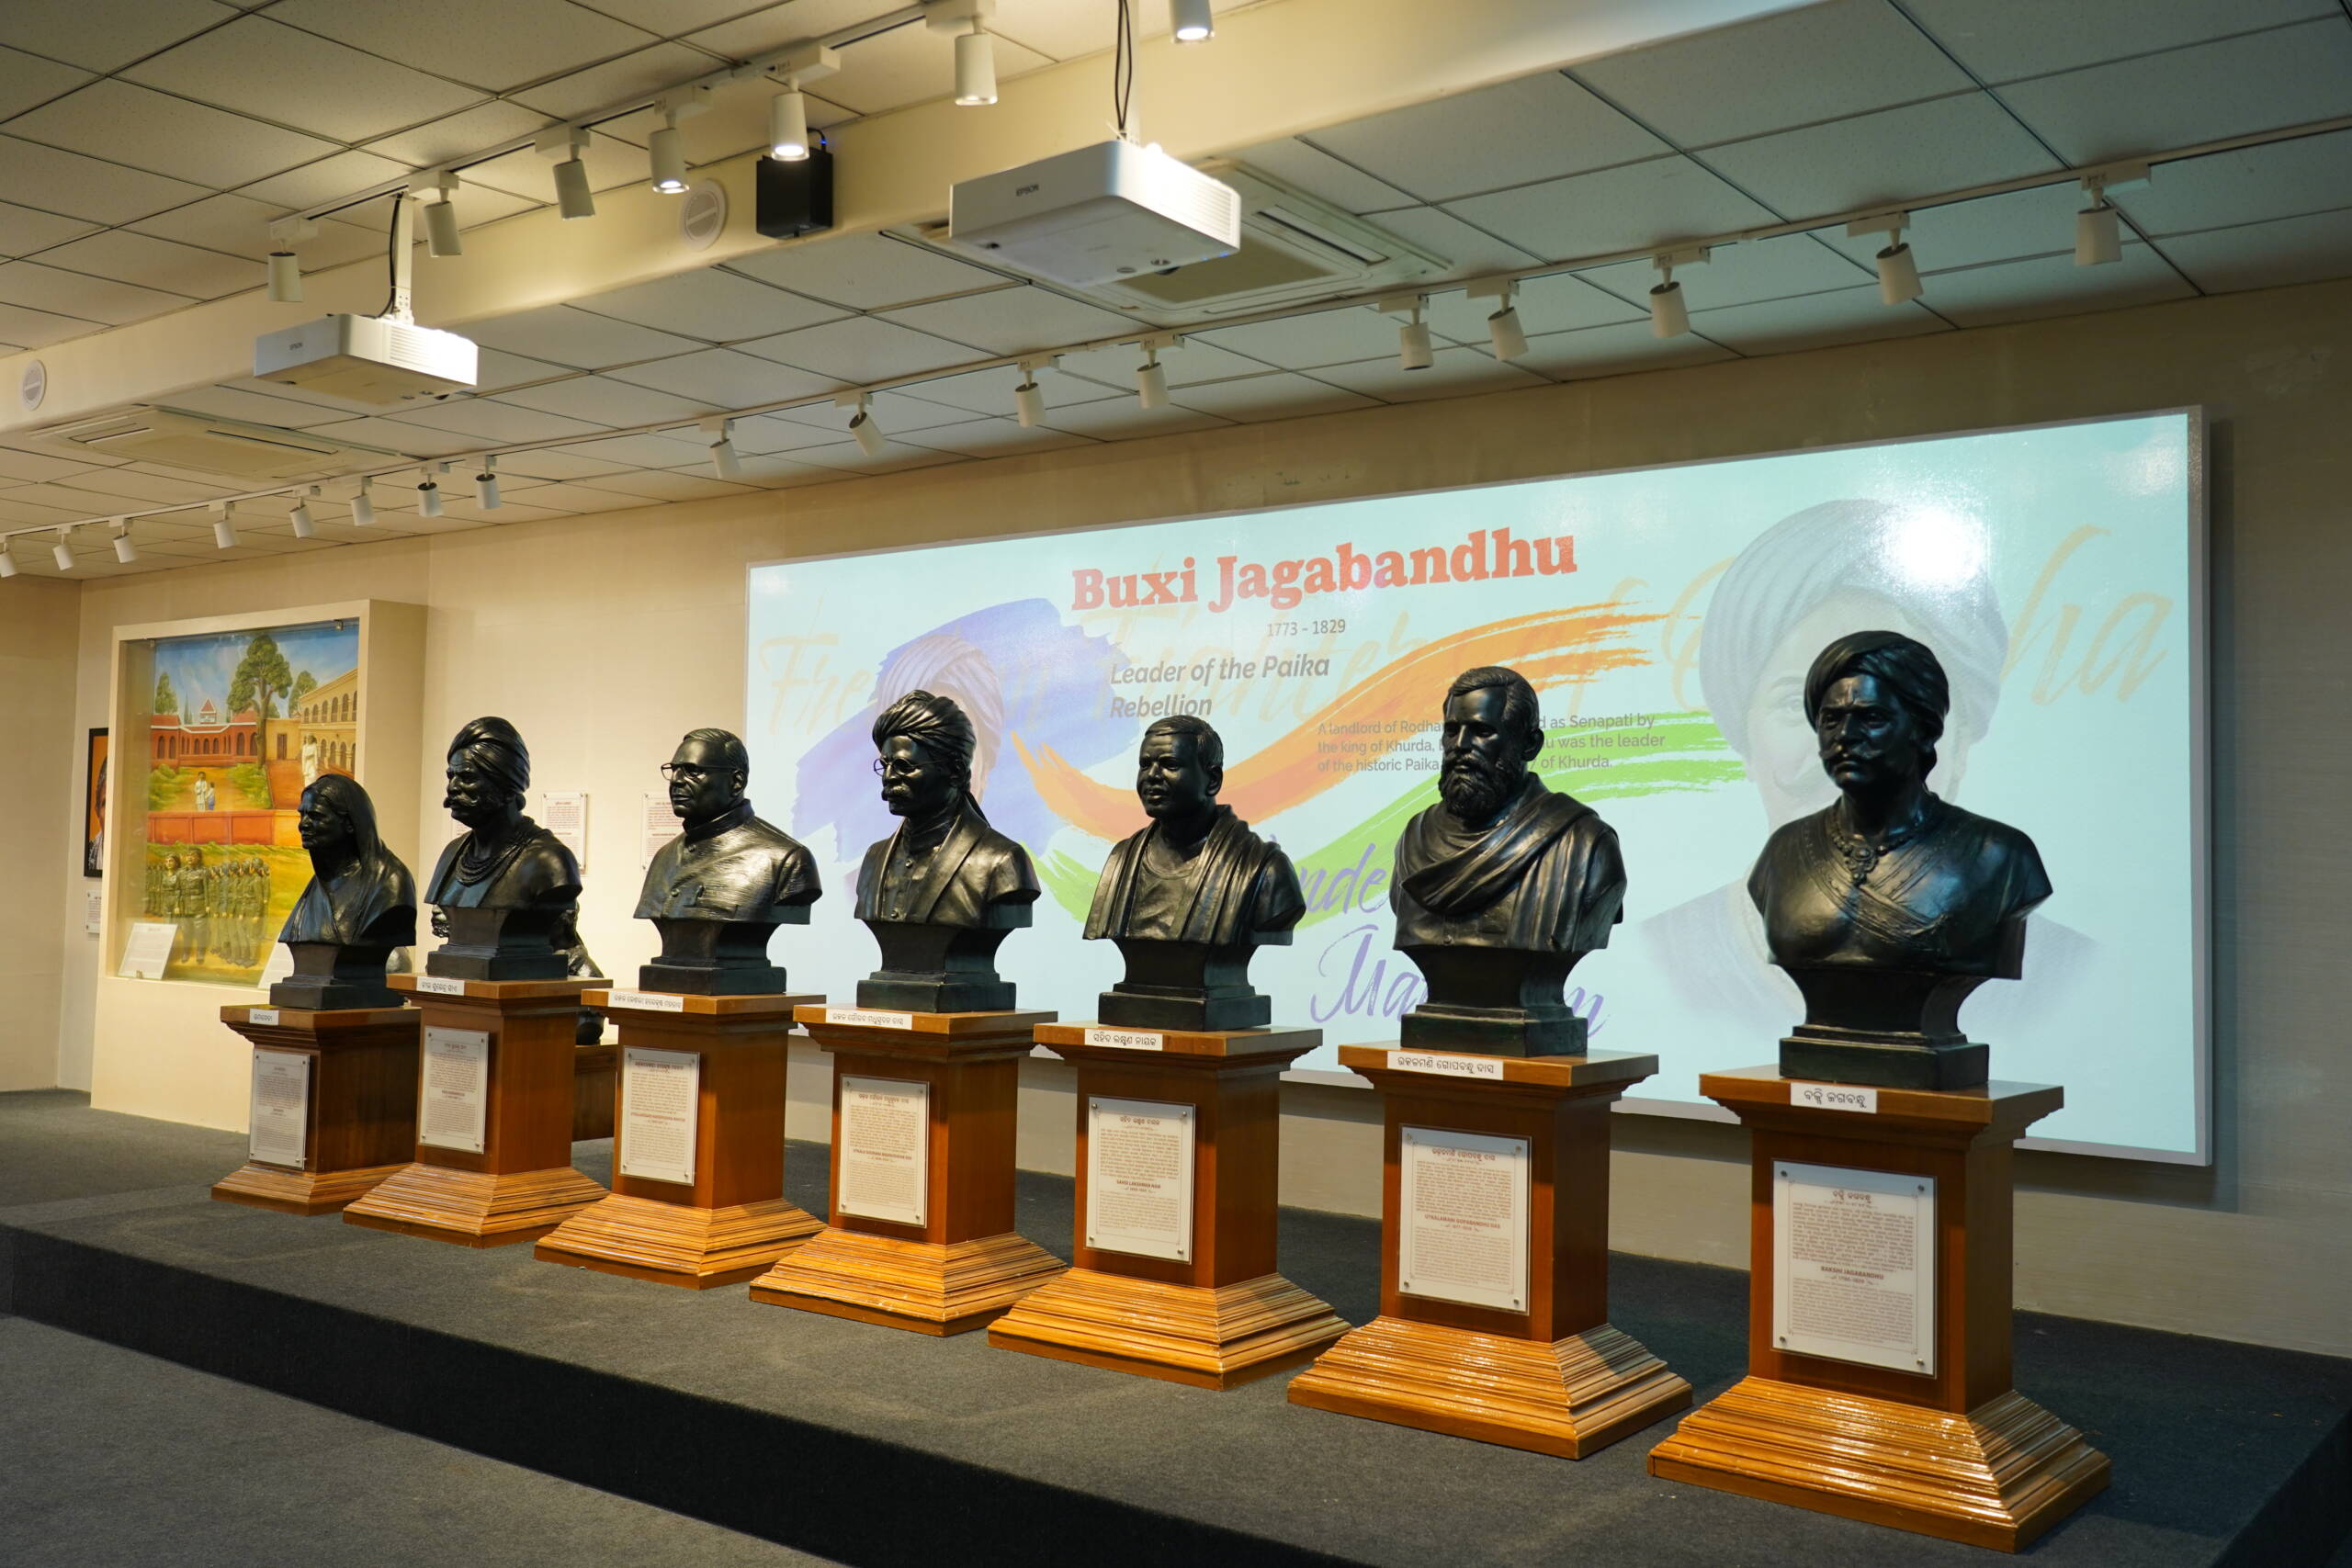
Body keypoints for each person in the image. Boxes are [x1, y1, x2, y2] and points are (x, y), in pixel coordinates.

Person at [1749, 631, 2052, 1088]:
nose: (1845, 738)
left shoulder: (1999, 856)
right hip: (1813, 1067)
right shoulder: (1783, 851)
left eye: (1871, 718)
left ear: (1923, 729)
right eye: (1830, 720)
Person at [1390, 665, 1625, 1054]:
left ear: (1529, 744)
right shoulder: (1415, 838)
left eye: (1483, 731)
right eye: (1452, 730)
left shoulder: (1582, 844)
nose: (1461, 745)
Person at [1084, 716, 1304, 1030]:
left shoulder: (1263, 869)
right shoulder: (1121, 861)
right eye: (1145, 765)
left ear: (1212, 779)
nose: (1153, 776)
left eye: (1170, 764)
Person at [852, 690, 1038, 1010]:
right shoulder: (875, 858)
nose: (889, 777)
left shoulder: (1002, 861)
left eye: (904, 766)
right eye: (884, 765)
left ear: (954, 771)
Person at [637, 728, 820, 994]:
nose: (676, 780)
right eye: (674, 769)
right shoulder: (665, 856)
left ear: (736, 782)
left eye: (692, 770)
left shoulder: (785, 859)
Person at [422, 717, 581, 980]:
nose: (452, 788)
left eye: (468, 778)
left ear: (507, 787)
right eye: (451, 776)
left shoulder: (549, 861)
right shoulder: (453, 853)